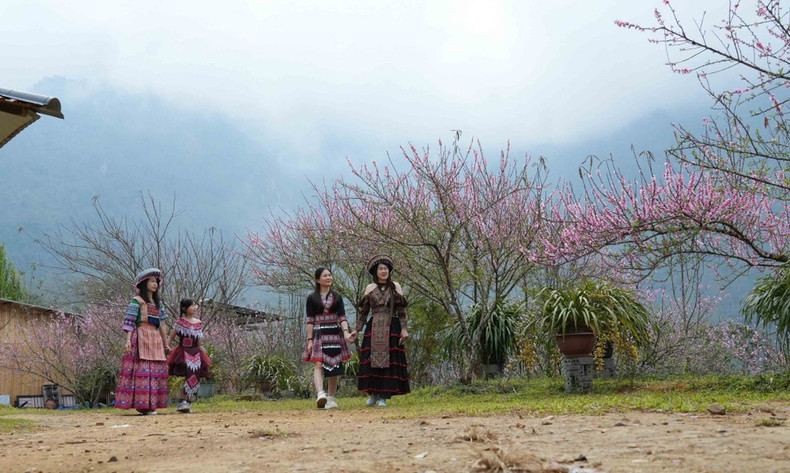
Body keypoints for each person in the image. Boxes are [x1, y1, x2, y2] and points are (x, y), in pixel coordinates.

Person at [350, 255, 410, 407]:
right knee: (371, 361)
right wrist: (357, 330)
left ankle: (384, 395)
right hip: (374, 325)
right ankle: (374, 394)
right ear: (375, 272)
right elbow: (364, 312)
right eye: (380, 269)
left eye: (385, 269)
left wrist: (404, 329)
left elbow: (401, 310)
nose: (383, 271)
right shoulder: (370, 288)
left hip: (392, 325)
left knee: (389, 361)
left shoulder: (395, 286)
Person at [115, 268, 171, 415]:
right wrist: (128, 341)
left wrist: (165, 344)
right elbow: (130, 322)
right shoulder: (136, 302)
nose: (155, 284)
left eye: (156, 282)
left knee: (155, 371)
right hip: (141, 338)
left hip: (155, 339)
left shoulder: (159, 304)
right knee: (143, 371)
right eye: (152, 281)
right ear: (144, 283)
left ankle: (152, 405)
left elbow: (163, 324)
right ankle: (143, 405)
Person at [302, 267, 354, 409]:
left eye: (330, 275)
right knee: (318, 364)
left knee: (335, 365)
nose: (328, 278)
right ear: (318, 279)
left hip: (334, 332)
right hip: (319, 332)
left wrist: (345, 332)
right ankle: (320, 394)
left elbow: (342, 317)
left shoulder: (337, 297)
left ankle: (331, 398)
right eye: (325, 276)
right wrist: (310, 340)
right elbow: (310, 320)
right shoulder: (312, 298)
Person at [166, 298, 211, 414]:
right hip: (183, 352)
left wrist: (201, 349)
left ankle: (187, 401)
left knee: (195, 375)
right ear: (184, 308)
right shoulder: (180, 322)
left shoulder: (198, 322)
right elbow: (171, 337)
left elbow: (198, 340)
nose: (194, 307)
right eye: (192, 305)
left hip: (196, 352)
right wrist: (167, 346)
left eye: (195, 305)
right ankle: (183, 401)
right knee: (189, 372)